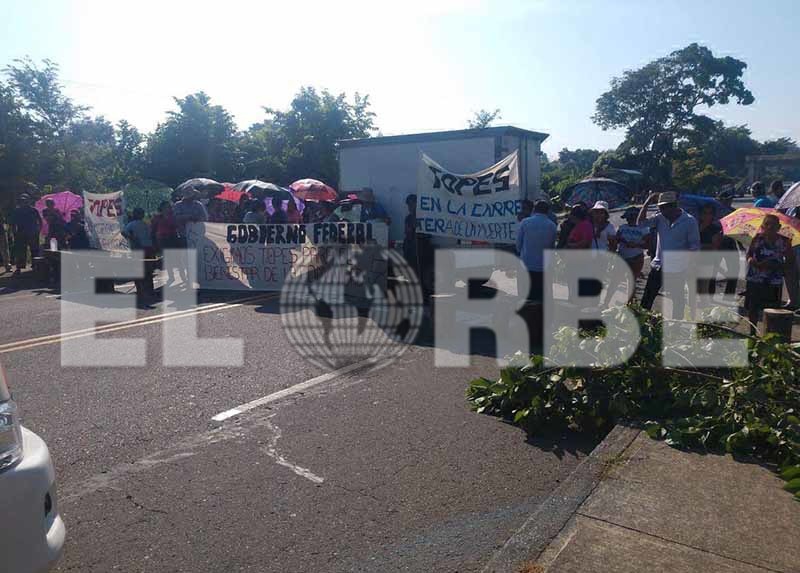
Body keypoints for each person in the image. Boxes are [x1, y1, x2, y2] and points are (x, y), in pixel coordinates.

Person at [638, 191, 701, 319]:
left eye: (664, 207)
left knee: (677, 300)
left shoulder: (689, 221)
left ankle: (676, 325)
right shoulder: (659, 218)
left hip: (678, 268)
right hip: (659, 265)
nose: (662, 211)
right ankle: (641, 321)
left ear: (673, 206)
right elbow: (641, 223)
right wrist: (647, 202)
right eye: (660, 207)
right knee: (647, 298)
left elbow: (694, 247)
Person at [744, 214, 795, 334]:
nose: (770, 227)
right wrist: (752, 261)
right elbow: (749, 255)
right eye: (767, 224)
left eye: (773, 224)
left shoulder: (784, 241)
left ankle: (770, 335)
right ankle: (752, 333)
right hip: (755, 279)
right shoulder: (757, 238)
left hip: (773, 281)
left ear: (779, 227)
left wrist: (774, 265)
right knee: (753, 308)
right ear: (762, 226)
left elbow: (790, 262)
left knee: (773, 310)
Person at [516, 200, 557, 302]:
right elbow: (552, 247)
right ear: (547, 211)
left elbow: (518, 245)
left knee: (526, 297)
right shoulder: (552, 226)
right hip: (543, 267)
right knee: (541, 297)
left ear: (534, 209)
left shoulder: (525, 222)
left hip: (526, 264)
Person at [614, 207, 650, 304]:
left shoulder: (644, 229)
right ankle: (609, 301)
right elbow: (616, 240)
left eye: (632, 217)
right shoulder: (622, 228)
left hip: (636, 257)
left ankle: (630, 302)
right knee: (616, 280)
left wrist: (636, 245)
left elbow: (648, 244)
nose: (629, 219)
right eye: (628, 218)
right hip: (622, 256)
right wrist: (622, 240)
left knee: (631, 280)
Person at [9, 194, 42, 275]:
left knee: (34, 250)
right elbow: (13, 223)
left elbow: (40, 220)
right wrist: (14, 232)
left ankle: (35, 265)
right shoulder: (17, 211)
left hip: (32, 233)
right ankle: (19, 267)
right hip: (21, 233)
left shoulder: (33, 210)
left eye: (25, 200)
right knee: (20, 251)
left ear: (29, 201)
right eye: (22, 200)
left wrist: (38, 230)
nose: (24, 202)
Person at [151, 201, 182, 284]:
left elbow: (178, 225)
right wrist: (154, 242)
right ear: (161, 208)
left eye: (168, 207)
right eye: (165, 207)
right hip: (162, 239)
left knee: (177, 257)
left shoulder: (173, 216)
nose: (167, 208)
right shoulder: (157, 217)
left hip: (173, 238)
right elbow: (153, 229)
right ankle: (171, 276)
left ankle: (182, 276)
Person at [697, 203, 723, 295]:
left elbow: (715, 247)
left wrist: (701, 246)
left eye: (710, 213)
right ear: (700, 214)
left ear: (713, 215)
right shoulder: (694, 226)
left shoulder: (715, 229)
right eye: (704, 213)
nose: (707, 216)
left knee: (704, 288)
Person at [403, 194, 418, 270]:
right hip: (410, 247)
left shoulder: (423, 217)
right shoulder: (408, 218)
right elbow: (407, 232)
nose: (410, 207)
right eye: (409, 205)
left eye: (412, 204)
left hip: (420, 247)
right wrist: (411, 228)